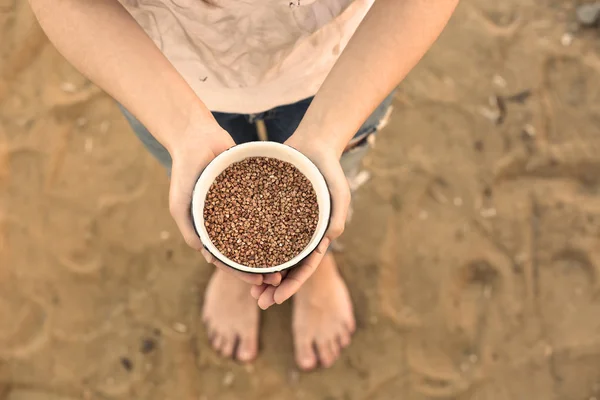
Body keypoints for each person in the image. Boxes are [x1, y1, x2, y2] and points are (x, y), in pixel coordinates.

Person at [29, 0, 459, 370]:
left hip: (344, 59)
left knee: (333, 173)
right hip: (159, 72)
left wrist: (328, 133)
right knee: (195, 177)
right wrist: (183, 132)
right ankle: (238, 273)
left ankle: (315, 259)